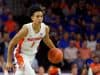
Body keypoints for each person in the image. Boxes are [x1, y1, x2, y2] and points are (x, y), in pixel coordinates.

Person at [6, 5, 56, 75]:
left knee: (20, 73)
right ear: (32, 18)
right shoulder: (26, 29)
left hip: (32, 55)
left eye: (41, 16)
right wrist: (9, 61)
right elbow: (12, 43)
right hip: (21, 54)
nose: (40, 18)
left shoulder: (45, 28)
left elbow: (47, 40)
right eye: (37, 16)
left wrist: (54, 49)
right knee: (30, 73)